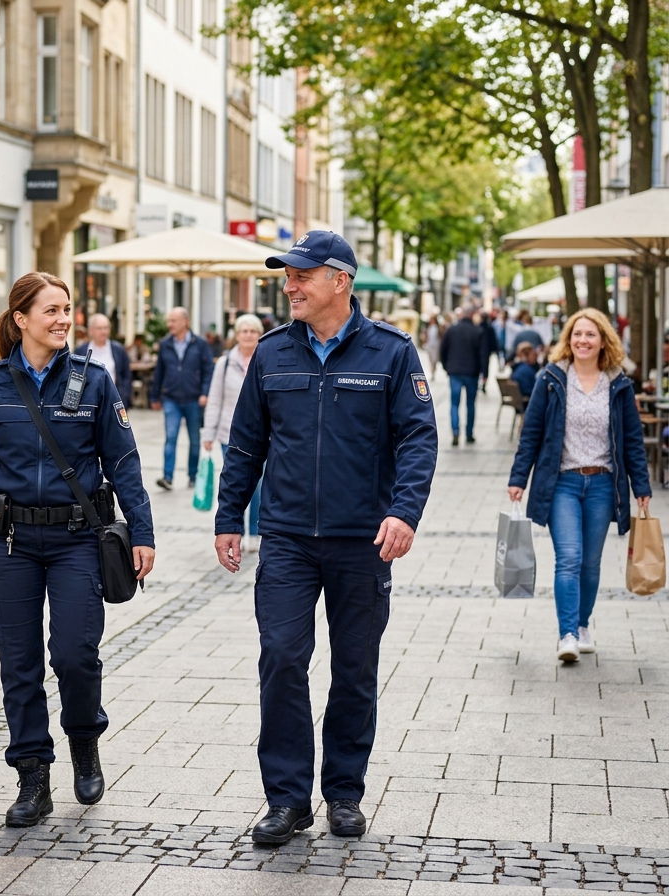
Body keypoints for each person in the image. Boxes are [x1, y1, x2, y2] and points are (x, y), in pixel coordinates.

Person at [214, 230, 437, 846]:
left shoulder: (392, 351)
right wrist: (229, 516)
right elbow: (246, 442)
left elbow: (418, 438)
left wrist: (404, 512)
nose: (290, 286)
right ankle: (287, 799)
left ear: (340, 280)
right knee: (281, 657)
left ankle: (343, 792)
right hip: (286, 536)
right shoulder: (272, 352)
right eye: (287, 276)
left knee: (354, 669)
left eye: (302, 276)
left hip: (362, 540)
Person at [0, 271, 155, 828]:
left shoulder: (93, 380)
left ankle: (84, 738)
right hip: (10, 542)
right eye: (51, 310)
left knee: (74, 653)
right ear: (21, 319)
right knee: (19, 663)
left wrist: (143, 531)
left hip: (77, 540)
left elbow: (123, 462)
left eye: (66, 309)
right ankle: (32, 776)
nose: (63, 320)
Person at [507, 308, 651, 663]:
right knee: (569, 557)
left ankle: (583, 624)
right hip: (563, 483)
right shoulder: (551, 378)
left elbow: (632, 440)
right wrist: (518, 478)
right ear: (568, 340)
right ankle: (567, 633)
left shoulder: (618, 383)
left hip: (602, 484)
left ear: (603, 341)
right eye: (577, 334)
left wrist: (642, 487)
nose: (582, 340)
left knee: (590, 563)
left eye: (590, 334)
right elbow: (531, 433)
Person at [203, 314, 264, 542]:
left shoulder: (265, 359)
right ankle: (235, 530)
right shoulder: (225, 362)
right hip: (229, 434)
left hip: (262, 434)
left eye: (252, 331)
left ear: (259, 335)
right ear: (236, 335)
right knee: (236, 483)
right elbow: (215, 399)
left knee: (259, 485)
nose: (248, 335)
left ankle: (255, 531)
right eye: (244, 331)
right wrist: (209, 432)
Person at [150, 306, 213, 490]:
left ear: (185, 322)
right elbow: (159, 372)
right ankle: (167, 477)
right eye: (169, 321)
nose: (169, 324)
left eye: (173, 321)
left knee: (194, 440)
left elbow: (209, 370)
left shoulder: (200, 344)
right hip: (171, 399)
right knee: (170, 438)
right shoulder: (165, 344)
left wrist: (205, 393)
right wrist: (154, 396)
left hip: (194, 399)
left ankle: (192, 475)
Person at [439, 307, 486, 446]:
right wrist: (485, 373)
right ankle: (469, 433)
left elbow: (443, 350)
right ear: (472, 315)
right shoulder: (478, 331)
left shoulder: (451, 330)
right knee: (470, 404)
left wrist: (446, 367)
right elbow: (483, 355)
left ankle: (455, 431)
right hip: (472, 372)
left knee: (454, 403)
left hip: (455, 372)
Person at [75, 314, 133, 407]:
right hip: (87, 402)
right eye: (99, 328)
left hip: (113, 401)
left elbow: (126, 376)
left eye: (106, 328)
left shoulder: (118, 350)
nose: (103, 331)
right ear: (91, 330)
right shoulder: (81, 351)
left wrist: (124, 397)